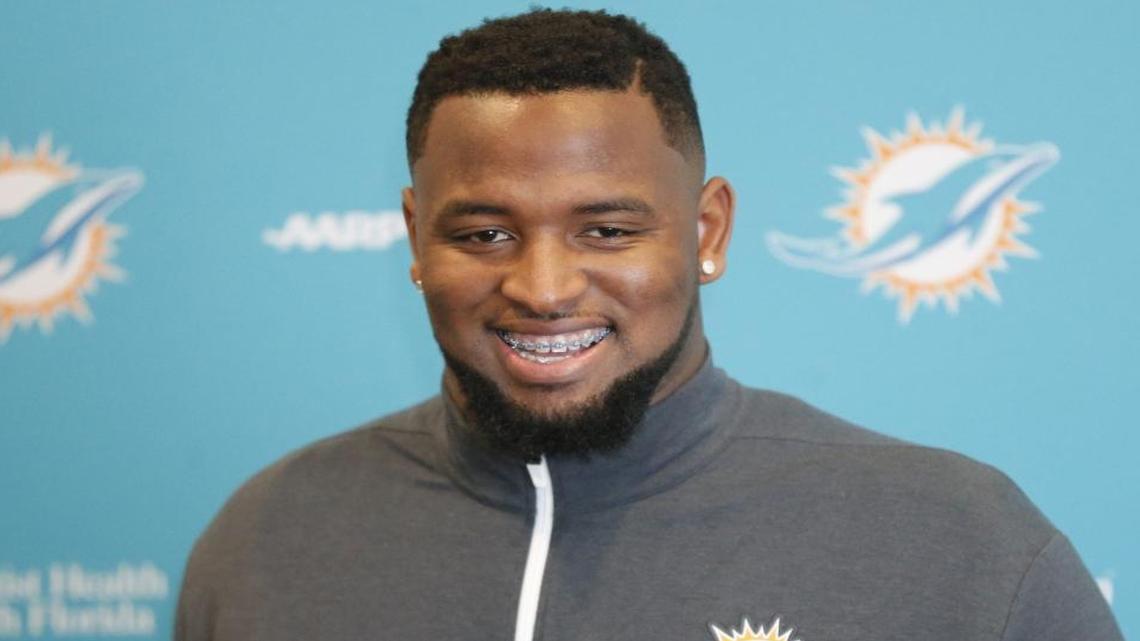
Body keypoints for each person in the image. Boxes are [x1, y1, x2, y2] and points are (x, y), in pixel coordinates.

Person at [175, 9, 1123, 641]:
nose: (543, 287)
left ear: (706, 230)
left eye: (608, 229)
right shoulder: (267, 536)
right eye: (485, 231)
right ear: (416, 239)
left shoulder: (960, 542)